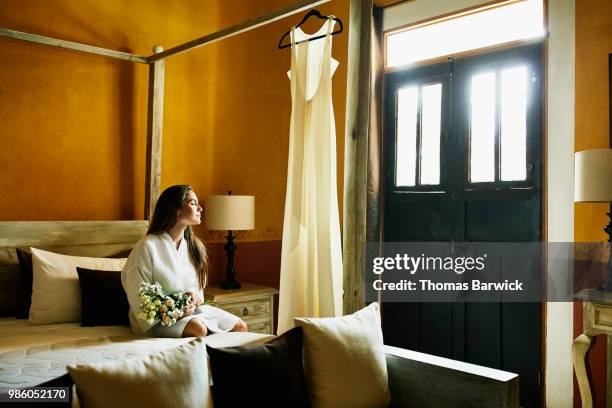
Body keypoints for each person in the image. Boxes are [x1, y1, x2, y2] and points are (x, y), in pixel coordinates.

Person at [121, 184, 248, 337]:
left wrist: (194, 298)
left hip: (193, 312)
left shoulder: (194, 247)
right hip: (158, 321)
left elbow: (199, 291)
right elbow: (141, 300)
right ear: (176, 209)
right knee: (198, 329)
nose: (200, 208)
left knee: (240, 326)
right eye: (193, 203)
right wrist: (176, 311)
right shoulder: (147, 247)